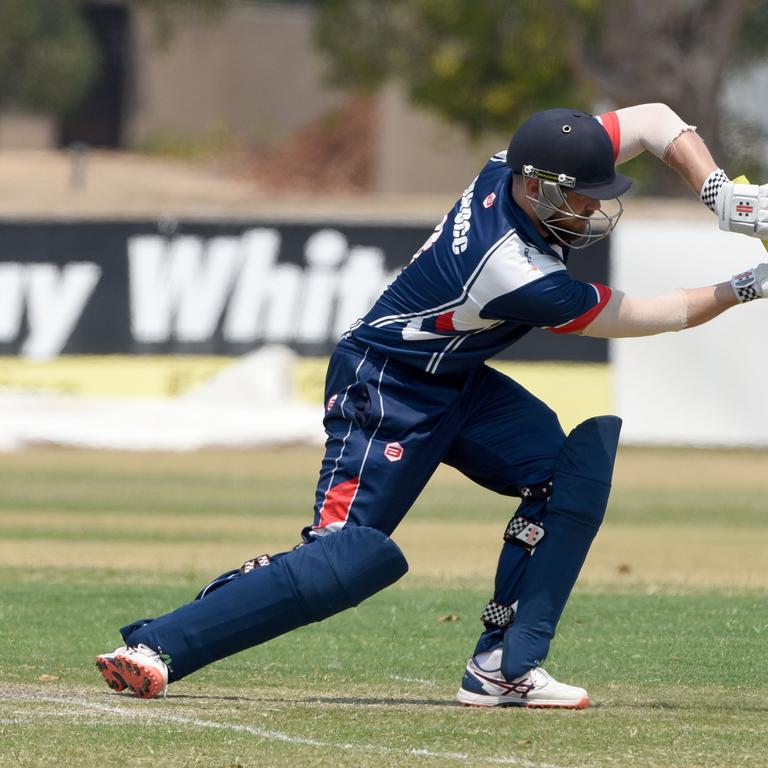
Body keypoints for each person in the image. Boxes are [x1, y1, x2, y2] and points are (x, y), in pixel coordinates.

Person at [96, 103, 768, 707]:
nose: (591, 212)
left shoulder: (515, 165)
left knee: (569, 471)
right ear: (535, 188)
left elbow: (652, 120)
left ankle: (505, 664)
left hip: (459, 381)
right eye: (580, 199)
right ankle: (155, 646)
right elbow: (653, 313)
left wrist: (724, 198)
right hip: (384, 387)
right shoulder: (510, 268)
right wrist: (750, 282)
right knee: (348, 556)